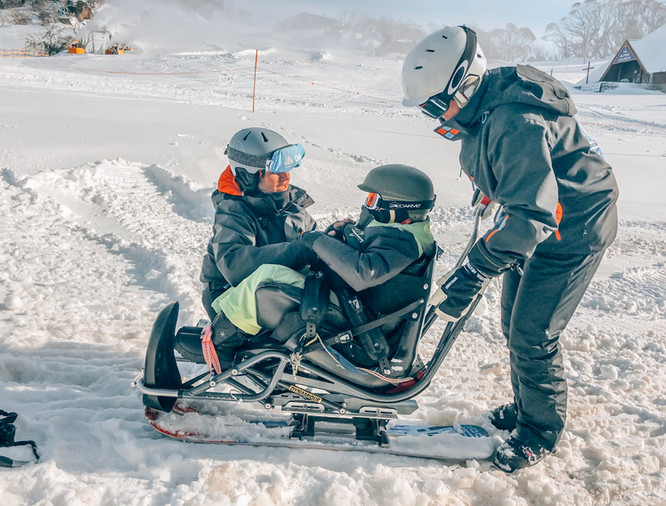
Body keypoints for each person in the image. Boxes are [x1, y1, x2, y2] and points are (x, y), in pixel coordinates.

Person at [401, 26, 619, 472]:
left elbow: (532, 218)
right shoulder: (487, 109)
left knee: (533, 335)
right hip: (540, 220)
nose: (435, 118)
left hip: (573, 230)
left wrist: (476, 269)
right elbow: (520, 185)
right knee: (511, 324)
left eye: (437, 106)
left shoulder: (514, 121)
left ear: (465, 83)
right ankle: (525, 410)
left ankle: (539, 432)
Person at [177, 164, 437, 376]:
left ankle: (221, 343)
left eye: (372, 199)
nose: (366, 205)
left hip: (360, 330)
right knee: (287, 275)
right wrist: (343, 235)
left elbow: (364, 271)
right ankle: (234, 328)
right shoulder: (406, 234)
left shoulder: (402, 241)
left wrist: (315, 240)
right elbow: (369, 258)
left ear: (396, 206)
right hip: (356, 312)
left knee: (266, 283)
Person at [195, 126, 317, 323]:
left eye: (287, 169)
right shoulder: (233, 210)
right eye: (276, 172)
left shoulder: (291, 203)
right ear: (248, 175)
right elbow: (235, 265)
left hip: (273, 289)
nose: (286, 177)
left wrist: (330, 239)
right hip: (230, 298)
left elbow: (311, 243)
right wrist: (299, 250)